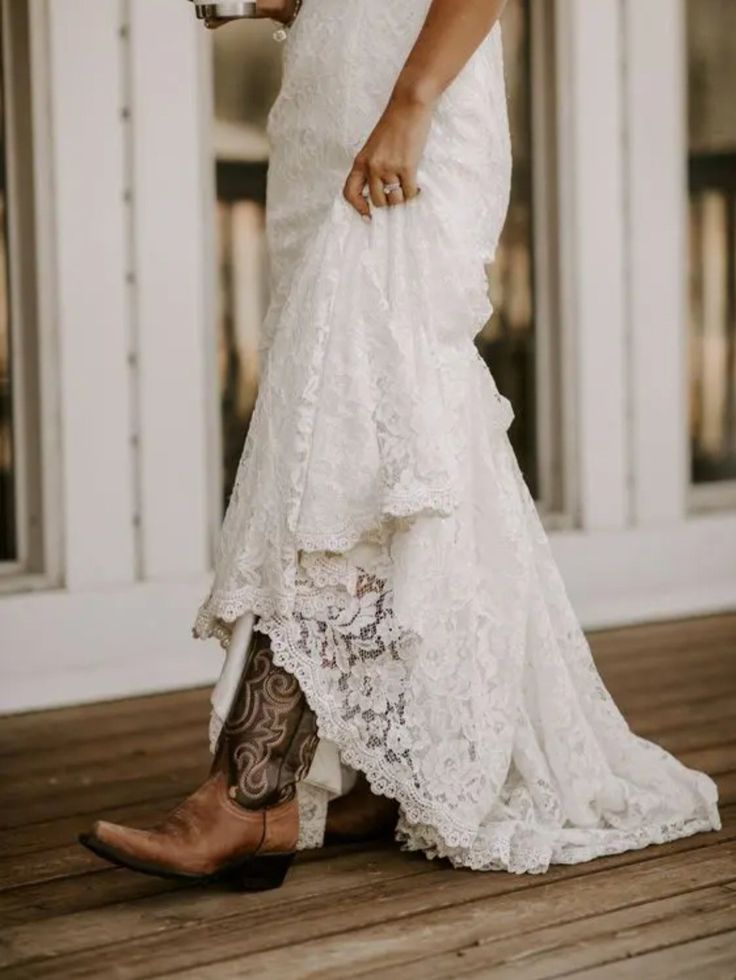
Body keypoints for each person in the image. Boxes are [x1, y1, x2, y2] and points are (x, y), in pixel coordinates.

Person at [80, 0, 720, 891]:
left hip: (409, 109)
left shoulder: (412, 107)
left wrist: (410, 105)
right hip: (327, 109)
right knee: (374, 438)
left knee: (344, 429)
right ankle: (389, 771)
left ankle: (251, 788)